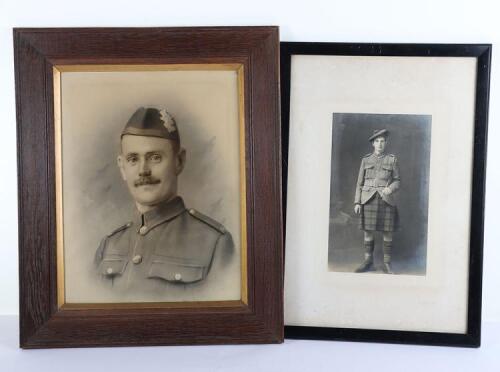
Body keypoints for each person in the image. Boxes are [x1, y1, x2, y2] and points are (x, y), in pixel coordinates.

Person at [94, 107, 234, 292]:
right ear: (122, 167)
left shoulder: (214, 243)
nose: (143, 170)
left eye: (155, 157)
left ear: (179, 161)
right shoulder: (108, 246)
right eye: (133, 159)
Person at [353, 129, 400, 274]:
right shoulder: (366, 160)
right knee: (368, 232)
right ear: (373, 143)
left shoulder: (392, 160)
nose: (380, 144)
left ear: (386, 143)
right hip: (368, 199)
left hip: (386, 199)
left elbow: (397, 181)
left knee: (388, 232)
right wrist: (357, 202)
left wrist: (390, 189)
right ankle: (368, 261)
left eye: (382, 141)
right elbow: (359, 183)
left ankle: (387, 263)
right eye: (377, 141)